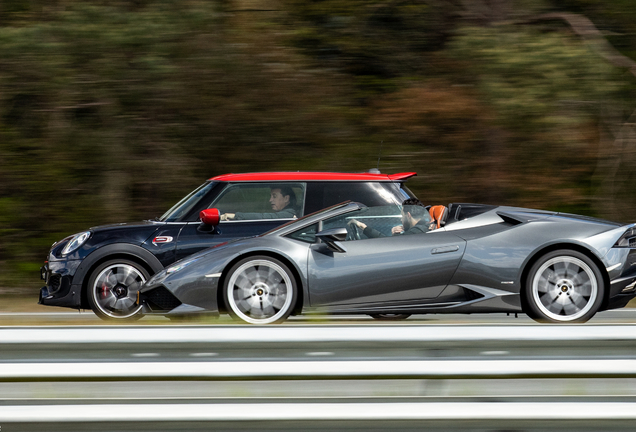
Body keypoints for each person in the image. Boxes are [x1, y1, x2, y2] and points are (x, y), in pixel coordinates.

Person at [348, 198, 431, 238]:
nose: (401, 219)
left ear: (408, 215)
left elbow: (387, 245)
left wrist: (362, 226)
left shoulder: (415, 233)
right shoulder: (422, 228)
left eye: (402, 216)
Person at [220, 186, 298, 221]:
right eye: (270, 196)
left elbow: (265, 217)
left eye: (274, 196)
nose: (270, 200)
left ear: (286, 198)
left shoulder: (289, 214)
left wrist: (235, 216)